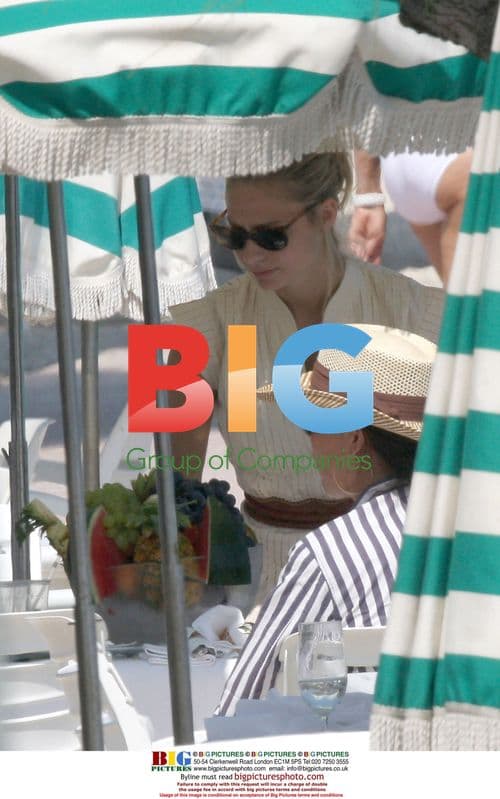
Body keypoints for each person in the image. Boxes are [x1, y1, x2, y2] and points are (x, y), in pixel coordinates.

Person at [169, 152, 444, 614]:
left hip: (392, 577)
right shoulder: (212, 320)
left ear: (327, 214)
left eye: (271, 236)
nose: (249, 255)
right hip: (263, 590)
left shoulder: (411, 310)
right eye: (234, 234)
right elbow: (174, 489)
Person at [214, 323, 436, 716]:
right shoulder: (472, 535)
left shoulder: (330, 553)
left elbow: (240, 702)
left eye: (312, 425)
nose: (307, 440)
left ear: (353, 438)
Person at [349, 148, 473, 285]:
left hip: (402, 163)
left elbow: (367, 127)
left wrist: (368, 196)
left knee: (460, 292)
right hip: (460, 166)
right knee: (473, 298)